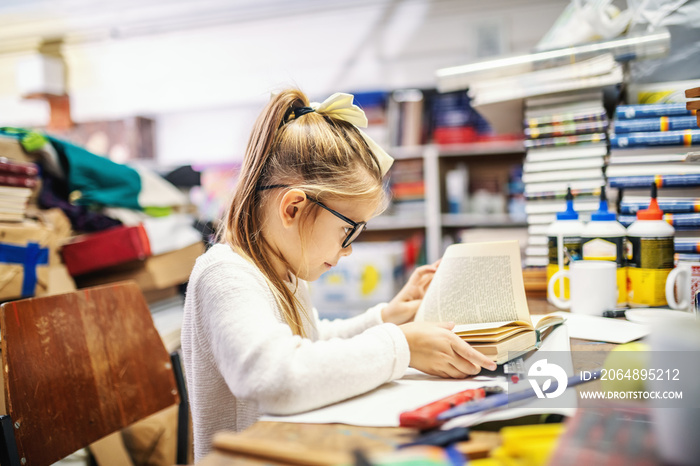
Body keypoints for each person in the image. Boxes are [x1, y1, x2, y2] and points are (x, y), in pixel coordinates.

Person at [181, 89, 497, 460]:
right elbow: (275, 377)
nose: (348, 249)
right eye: (348, 230)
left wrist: (385, 317)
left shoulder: (280, 268)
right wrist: (402, 346)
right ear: (294, 208)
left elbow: (311, 340)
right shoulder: (227, 275)